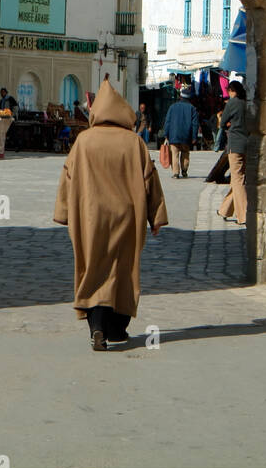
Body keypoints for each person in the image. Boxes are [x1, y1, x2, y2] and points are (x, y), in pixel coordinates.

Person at [53, 76, 168, 352]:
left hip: (91, 217)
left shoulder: (83, 141)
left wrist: (64, 212)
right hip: (127, 217)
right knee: (122, 268)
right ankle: (118, 327)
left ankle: (98, 328)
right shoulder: (134, 142)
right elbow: (149, 179)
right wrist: (157, 216)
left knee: (93, 267)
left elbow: (67, 178)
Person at [217, 80, 249, 226]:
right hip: (247, 145)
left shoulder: (233, 103)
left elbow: (223, 123)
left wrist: (222, 119)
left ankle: (243, 216)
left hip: (235, 145)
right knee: (238, 178)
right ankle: (225, 210)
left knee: (238, 180)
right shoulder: (246, 103)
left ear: (231, 90)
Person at [162, 84, 199, 179]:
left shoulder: (172, 107)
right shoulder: (192, 108)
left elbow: (168, 121)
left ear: (180, 96)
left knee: (174, 154)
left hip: (173, 135)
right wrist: (194, 137)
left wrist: (166, 134)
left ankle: (175, 173)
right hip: (186, 136)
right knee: (185, 153)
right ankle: (184, 170)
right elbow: (195, 124)